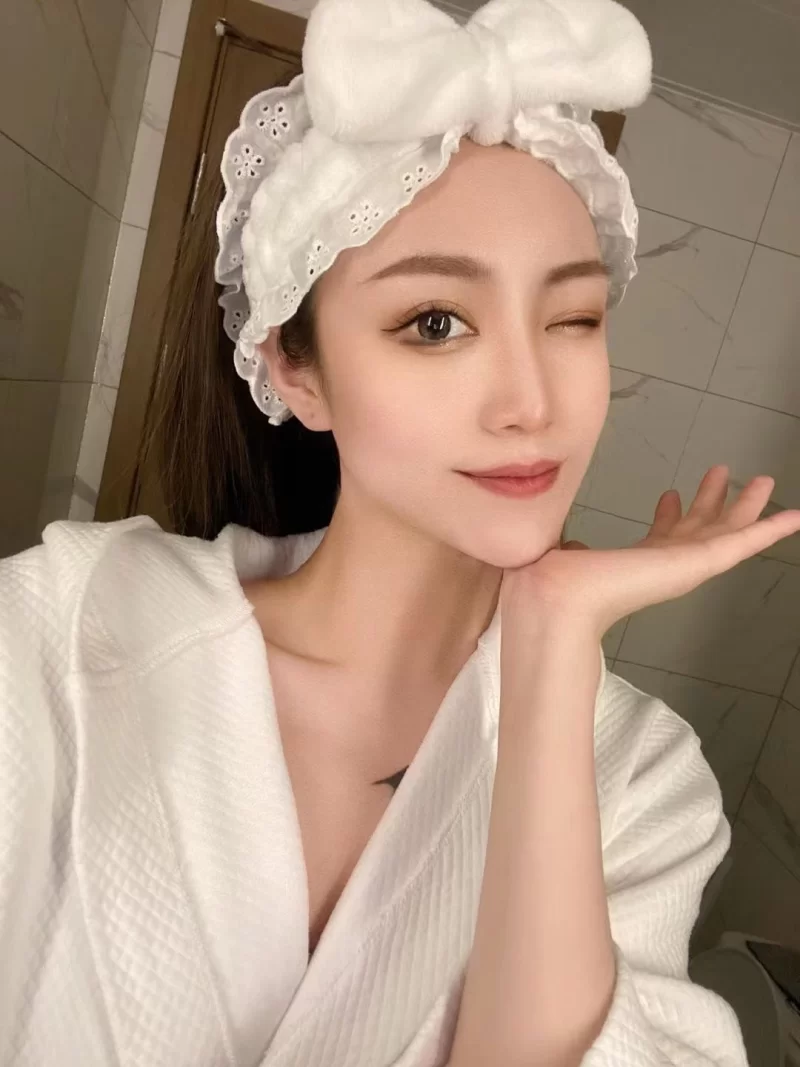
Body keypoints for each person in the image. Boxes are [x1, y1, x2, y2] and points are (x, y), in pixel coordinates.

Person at [1, 0, 797, 1064]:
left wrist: (551, 643)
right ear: (296, 371)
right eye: (435, 322)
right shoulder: (67, 629)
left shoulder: (639, 775)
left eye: (572, 317)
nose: (531, 400)